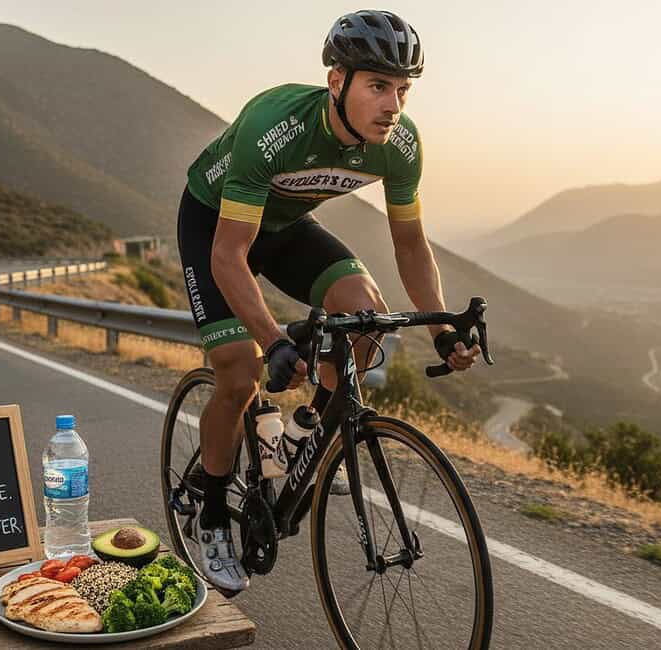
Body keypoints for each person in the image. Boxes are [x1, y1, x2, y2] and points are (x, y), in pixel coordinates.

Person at [177, 9, 481, 593]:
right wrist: (272, 341)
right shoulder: (275, 124)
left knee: (364, 315)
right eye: (377, 86)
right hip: (216, 226)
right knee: (240, 375)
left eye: (402, 90)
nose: (393, 104)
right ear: (337, 82)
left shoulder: (400, 145)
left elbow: (412, 246)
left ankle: (302, 434)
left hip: (284, 226)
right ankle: (213, 512)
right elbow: (227, 257)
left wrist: (442, 330)